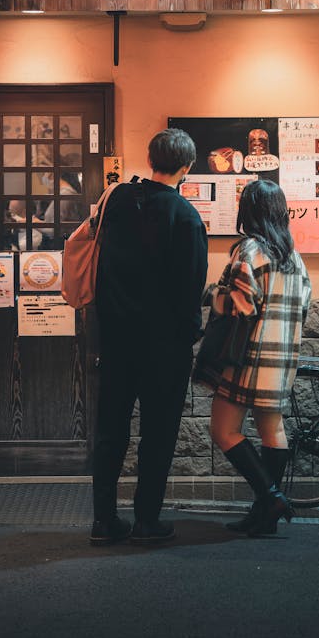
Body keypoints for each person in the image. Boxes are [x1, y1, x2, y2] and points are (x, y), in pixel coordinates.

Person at [90, 128, 208, 546]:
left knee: (110, 430)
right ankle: (146, 520)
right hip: (163, 348)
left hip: (116, 341)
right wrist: (188, 336)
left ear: (150, 157)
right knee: (157, 434)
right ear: (187, 167)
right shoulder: (186, 217)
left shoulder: (117, 201)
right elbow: (190, 289)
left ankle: (103, 520)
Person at [196, 179, 312, 537]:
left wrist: (212, 295)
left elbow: (240, 305)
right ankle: (265, 515)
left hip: (248, 358)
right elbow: (304, 305)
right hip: (282, 358)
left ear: (248, 211)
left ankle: (272, 497)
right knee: (272, 428)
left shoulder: (250, 249)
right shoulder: (294, 256)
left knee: (223, 429)